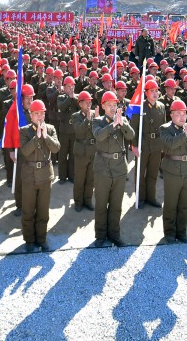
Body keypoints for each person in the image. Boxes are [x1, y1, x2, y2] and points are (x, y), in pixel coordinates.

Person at [91, 92, 134, 247]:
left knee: (116, 204)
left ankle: (114, 234)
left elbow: (132, 135)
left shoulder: (122, 120)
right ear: (102, 106)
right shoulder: (97, 121)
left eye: (114, 105)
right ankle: (100, 236)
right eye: (109, 105)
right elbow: (99, 136)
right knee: (102, 203)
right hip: (102, 167)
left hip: (119, 167)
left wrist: (123, 124)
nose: (112, 108)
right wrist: (112, 125)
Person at [159, 99, 187, 243]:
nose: (182, 117)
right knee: (171, 203)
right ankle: (170, 233)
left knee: (184, 204)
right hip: (172, 169)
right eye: (178, 114)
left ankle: (181, 232)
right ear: (171, 115)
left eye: (184, 114)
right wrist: (185, 134)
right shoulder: (165, 128)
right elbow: (171, 144)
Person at [18, 99, 60, 252]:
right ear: (31, 115)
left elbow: (56, 148)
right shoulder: (24, 131)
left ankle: (41, 238)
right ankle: (29, 240)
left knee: (43, 210)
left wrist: (45, 136)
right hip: (29, 175)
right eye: (37, 114)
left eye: (42, 113)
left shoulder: (50, 129)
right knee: (28, 210)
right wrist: (36, 137)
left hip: (45, 175)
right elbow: (25, 151)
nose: (40, 117)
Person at [130, 79, 166, 208]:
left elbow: (163, 127)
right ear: (146, 92)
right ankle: (141, 198)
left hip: (156, 145)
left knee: (153, 173)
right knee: (140, 173)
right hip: (143, 144)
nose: (155, 93)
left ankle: (151, 197)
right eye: (152, 91)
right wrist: (133, 146)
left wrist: (163, 145)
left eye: (156, 90)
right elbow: (133, 128)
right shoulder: (139, 107)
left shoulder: (161, 106)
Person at [69, 91, 97, 211]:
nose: (89, 104)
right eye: (86, 102)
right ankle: (78, 202)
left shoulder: (94, 114)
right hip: (81, 151)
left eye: (90, 102)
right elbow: (79, 132)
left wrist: (96, 119)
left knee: (90, 179)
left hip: (92, 151)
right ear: (80, 104)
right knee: (80, 179)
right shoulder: (76, 116)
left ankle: (88, 200)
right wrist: (87, 119)